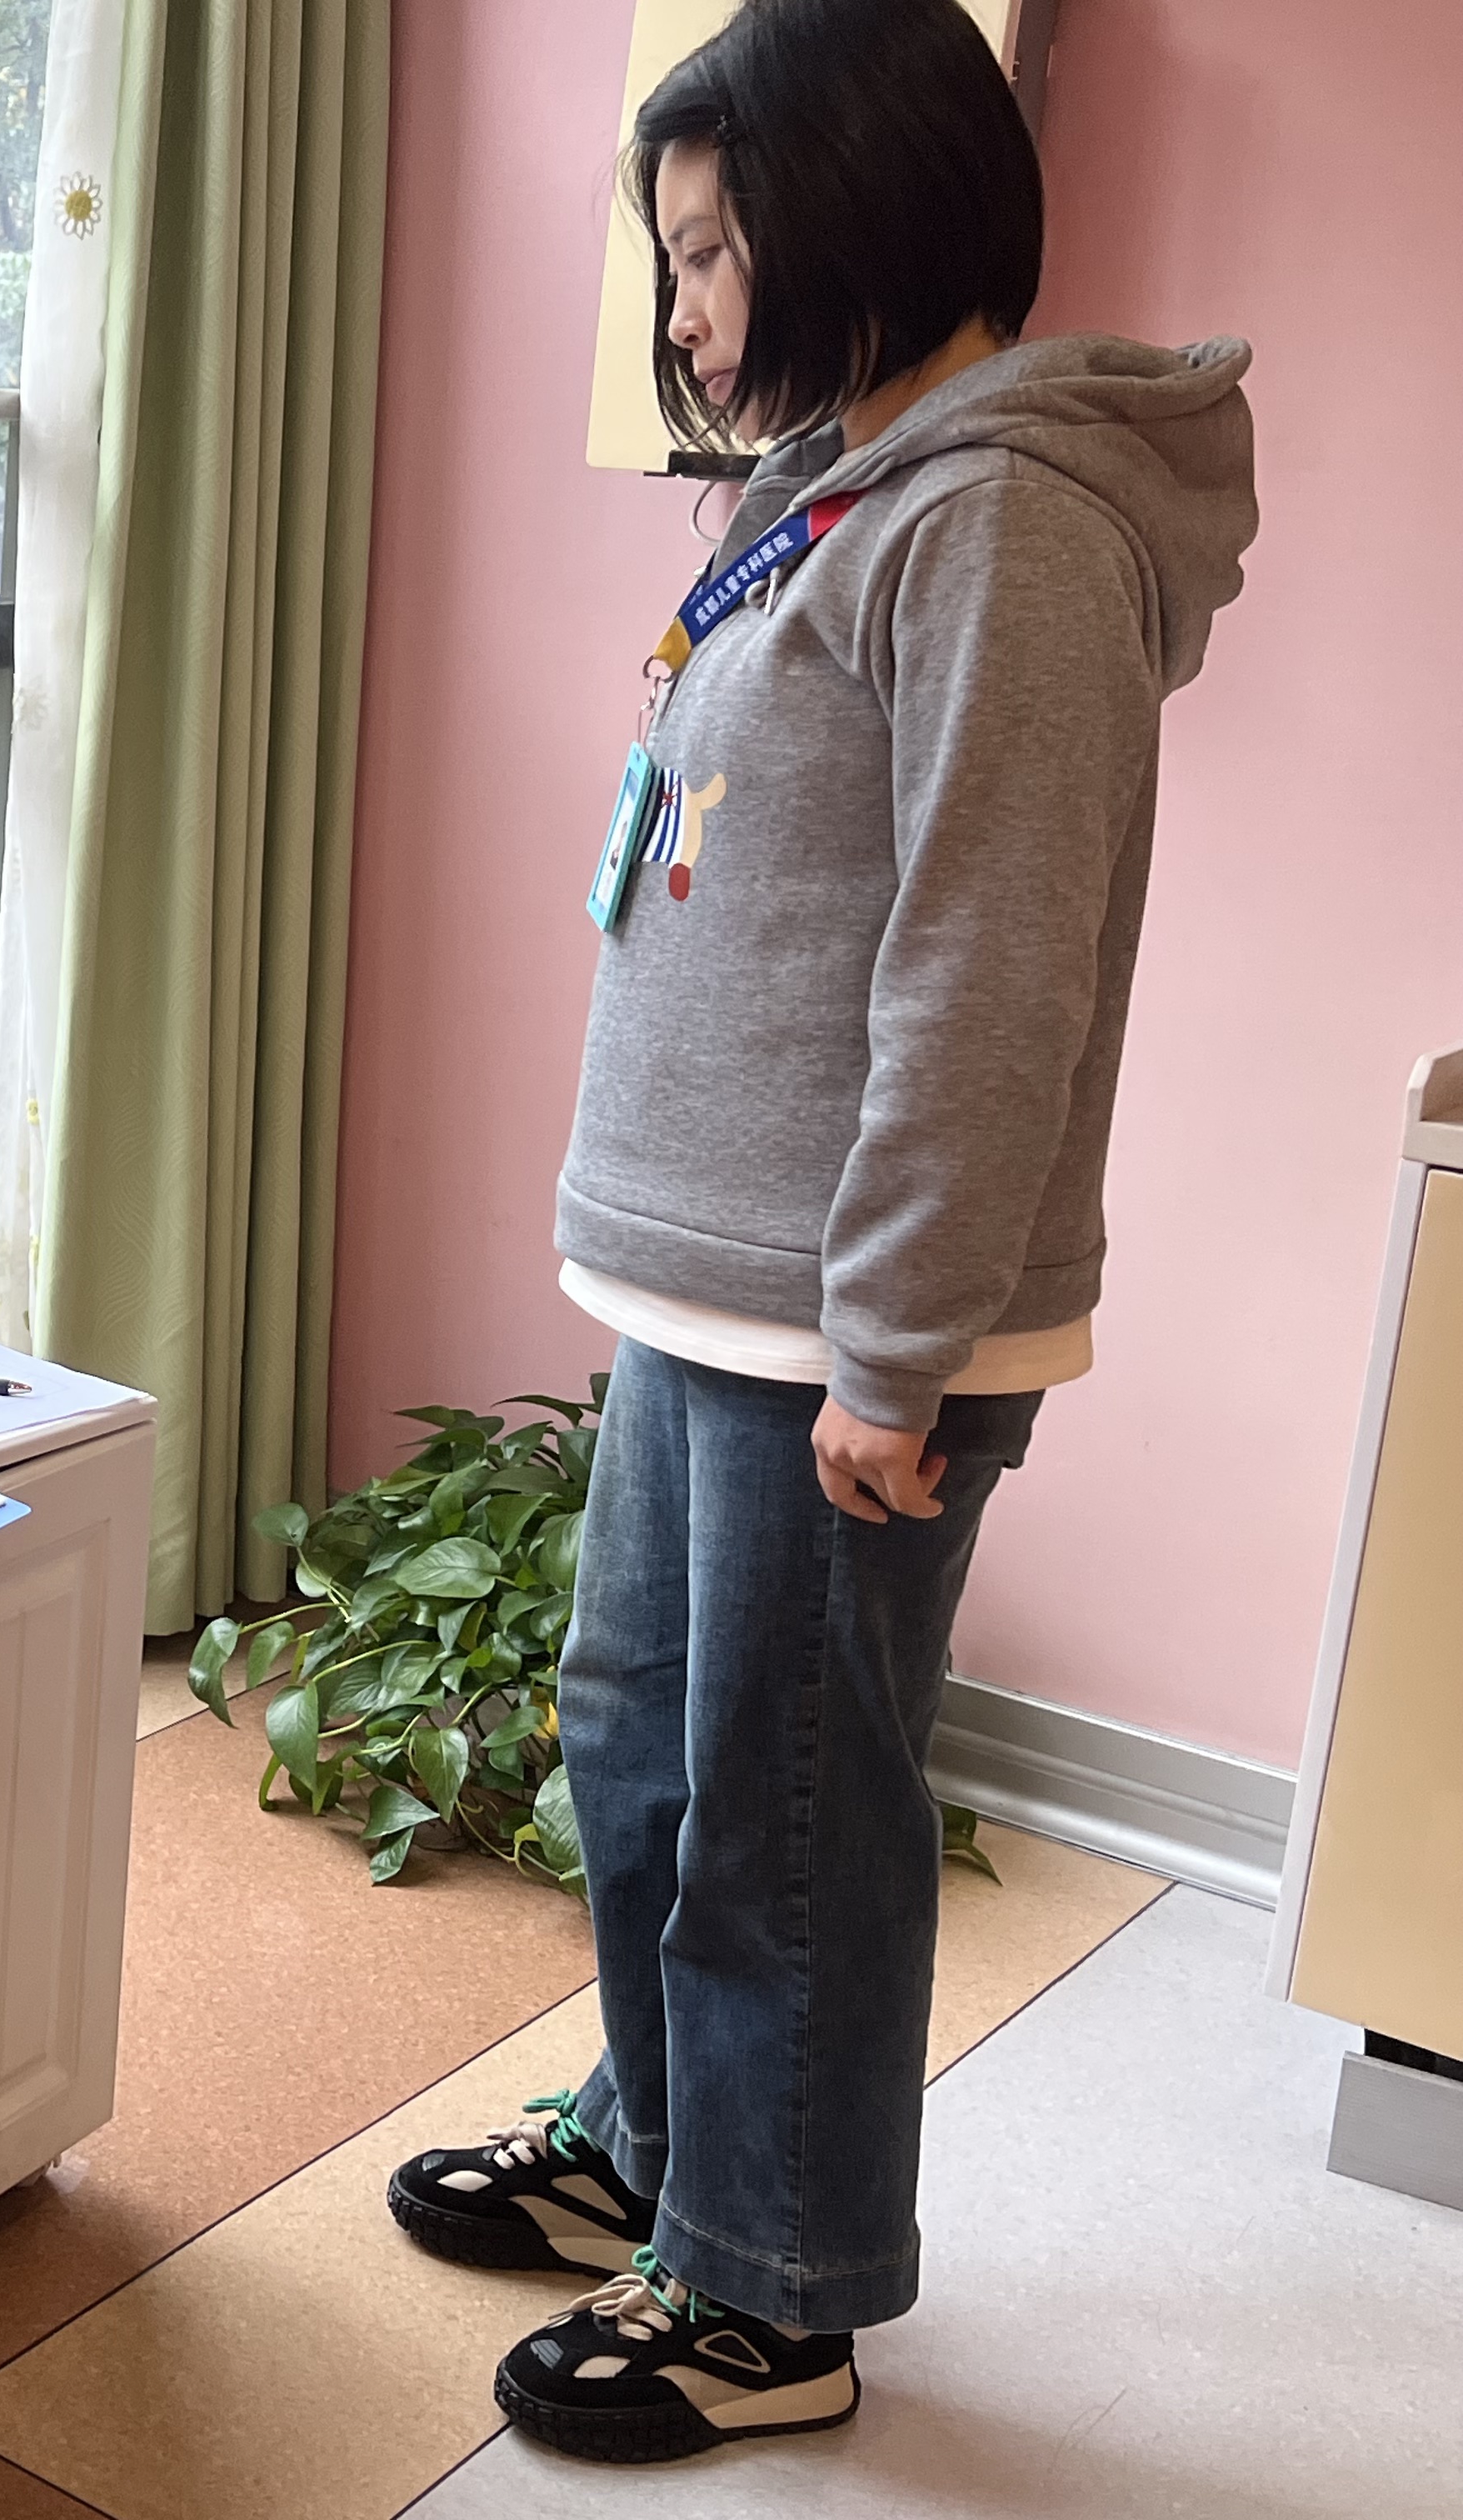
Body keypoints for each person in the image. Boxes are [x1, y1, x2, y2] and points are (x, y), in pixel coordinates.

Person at [380, 0, 1254, 2465]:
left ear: (854, 213)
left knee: (782, 1804)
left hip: (845, 1330)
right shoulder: (848, 491)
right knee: (645, 1742)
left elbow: (990, 966)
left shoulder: (1008, 527)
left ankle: (771, 2294)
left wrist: (897, 1347)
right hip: (715, 1287)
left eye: (705, 255)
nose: (679, 312)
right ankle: (667, 2154)